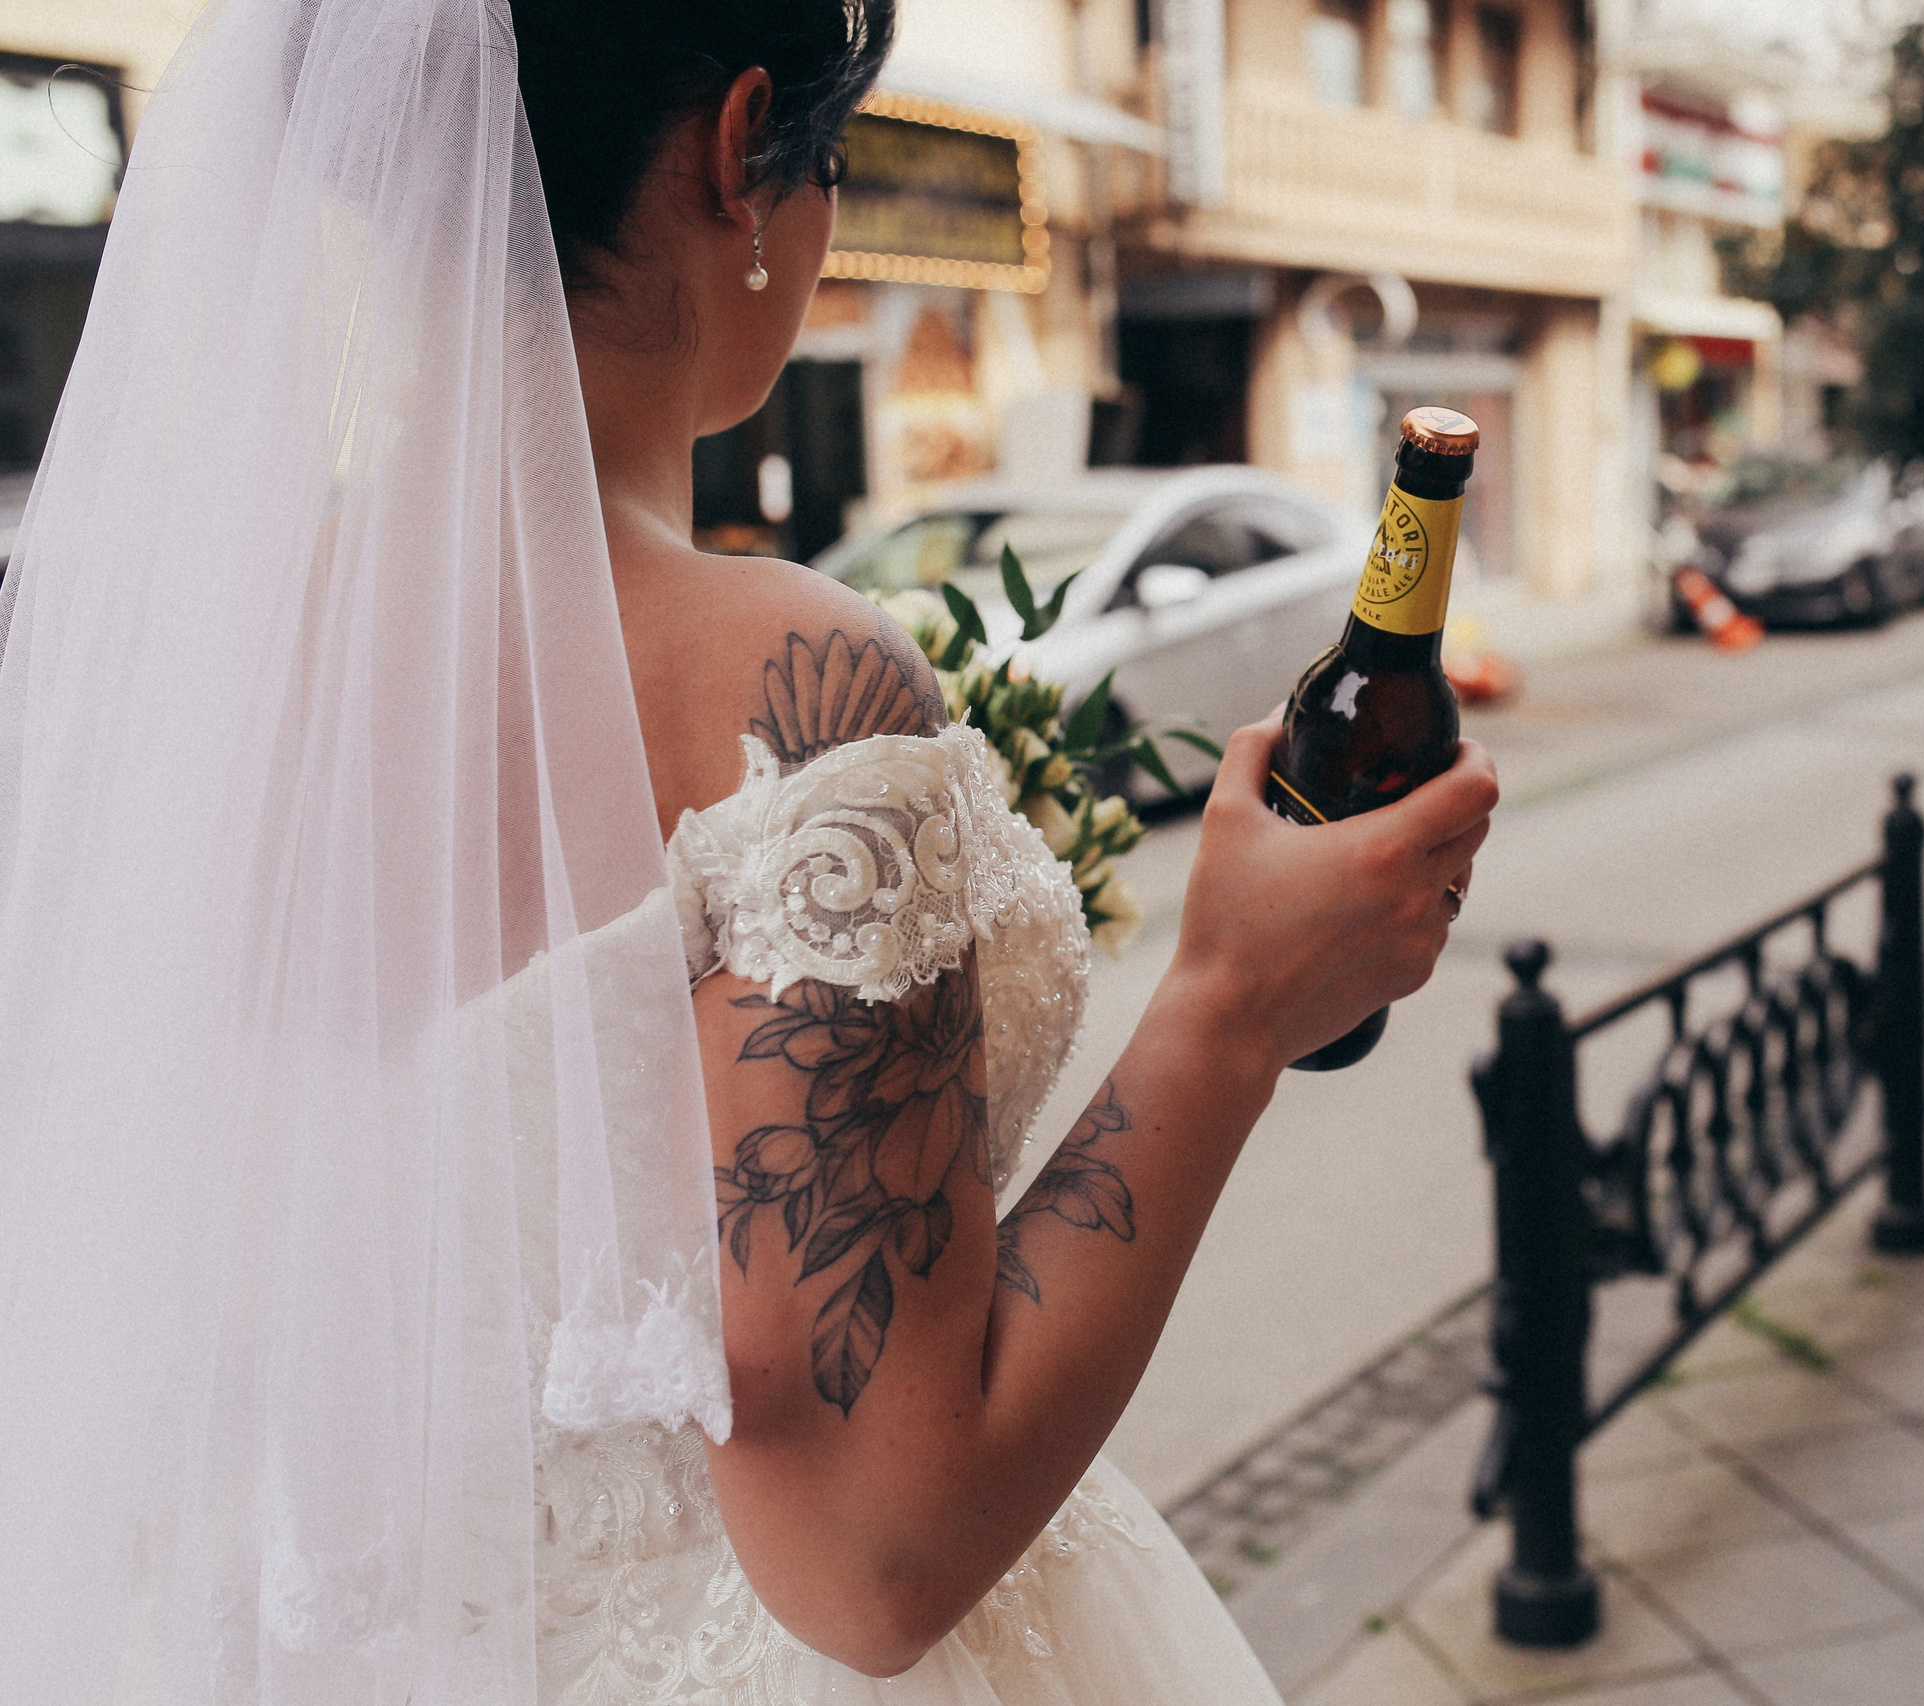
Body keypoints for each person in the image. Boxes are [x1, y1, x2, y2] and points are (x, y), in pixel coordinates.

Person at [0, 2, 1495, 1703]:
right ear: (740, 150)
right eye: (832, 163)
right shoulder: (781, 687)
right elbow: (872, 1555)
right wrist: (1230, 1007)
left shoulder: (164, 671)